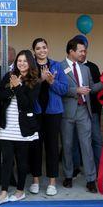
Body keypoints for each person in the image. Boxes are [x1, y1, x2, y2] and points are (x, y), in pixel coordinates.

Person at [0, 50, 41, 206]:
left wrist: (18, 87)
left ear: (30, 63)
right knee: (6, 160)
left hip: (23, 127)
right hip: (7, 125)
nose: (22, 63)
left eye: (25, 61)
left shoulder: (35, 81)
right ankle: (3, 193)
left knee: (22, 161)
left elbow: (27, 104)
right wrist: (12, 88)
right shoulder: (9, 76)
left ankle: (20, 191)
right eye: (19, 60)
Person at [60, 38, 103, 193]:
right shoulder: (60, 67)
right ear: (71, 51)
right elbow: (58, 88)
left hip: (84, 110)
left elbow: (91, 87)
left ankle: (91, 179)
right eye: (81, 51)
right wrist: (75, 91)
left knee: (87, 145)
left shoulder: (85, 69)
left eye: (84, 51)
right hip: (67, 112)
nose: (84, 53)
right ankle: (68, 176)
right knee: (67, 145)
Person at [28, 38, 68, 196]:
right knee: (35, 147)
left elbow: (64, 89)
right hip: (37, 113)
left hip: (53, 113)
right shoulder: (30, 67)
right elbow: (28, 89)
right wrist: (41, 79)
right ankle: (35, 181)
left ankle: (52, 182)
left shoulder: (57, 66)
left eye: (44, 47)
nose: (41, 50)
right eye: (38, 48)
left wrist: (52, 82)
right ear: (34, 51)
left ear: (48, 49)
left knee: (52, 147)